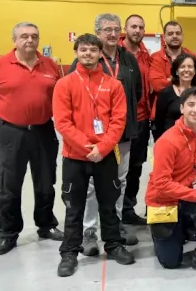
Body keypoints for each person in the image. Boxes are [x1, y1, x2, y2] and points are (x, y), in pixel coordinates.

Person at [53, 34, 134, 276]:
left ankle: (113, 245)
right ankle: (69, 252)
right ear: (76, 52)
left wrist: (103, 148)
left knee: (108, 204)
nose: (88, 54)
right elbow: (63, 123)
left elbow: (119, 122)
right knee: (74, 207)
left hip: (106, 155)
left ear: (101, 53)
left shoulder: (114, 85)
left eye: (92, 50)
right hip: (75, 156)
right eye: (83, 50)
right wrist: (88, 148)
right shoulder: (64, 84)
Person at [0, 22, 63, 255]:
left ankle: (46, 225)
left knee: (45, 182)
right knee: (8, 186)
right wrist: (8, 120)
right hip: (12, 133)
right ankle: (8, 234)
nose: (29, 40)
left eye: (34, 36)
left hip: (43, 131)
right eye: (24, 36)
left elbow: (58, 98)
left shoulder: (50, 65)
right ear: (14, 40)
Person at [75, 14, 142, 253]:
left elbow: (137, 92)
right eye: (107, 30)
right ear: (97, 32)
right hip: (93, 139)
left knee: (119, 183)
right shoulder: (88, 58)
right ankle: (89, 231)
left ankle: (114, 226)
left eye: (116, 29)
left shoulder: (129, 59)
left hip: (122, 134)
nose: (112, 34)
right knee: (92, 185)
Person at [145, 87, 196, 275]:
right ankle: (164, 233)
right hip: (164, 200)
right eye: (191, 105)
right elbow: (161, 183)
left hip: (186, 197)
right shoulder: (167, 142)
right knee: (171, 262)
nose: (195, 109)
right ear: (182, 109)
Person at [121, 14, 152, 226]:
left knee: (136, 167)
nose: (137, 30)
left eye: (141, 27)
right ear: (126, 28)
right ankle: (112, 211)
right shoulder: (118, 54)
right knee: (117, 169)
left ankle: (127, 209)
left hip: (142, 120)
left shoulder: (145, 54)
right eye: (133, 26)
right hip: (120, 122)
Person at [153, 53, 196, 141]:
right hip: (169, 142)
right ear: (176, 71)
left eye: (190, 67)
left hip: (193, 141)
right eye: (182, 67)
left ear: (195, 71)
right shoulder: (166, 93)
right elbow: (158, 123)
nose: (186, 70)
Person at [149, 21, 194, 98]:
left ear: (182, 36)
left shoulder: (192, 57)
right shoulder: (155, 58)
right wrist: (185, 79)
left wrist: (170, 79)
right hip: (164, 106)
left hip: (188, 103)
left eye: (178, 33)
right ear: (164, 37)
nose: (174, 36)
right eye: (170, 34)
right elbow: (157, 85)